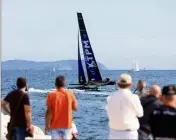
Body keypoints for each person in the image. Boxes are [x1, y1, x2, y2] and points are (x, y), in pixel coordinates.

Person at [106, 74, 143, 139]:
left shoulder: (110, 98)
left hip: (114, 133)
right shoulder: (134, 97)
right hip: (130, 133)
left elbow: (108, 112)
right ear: (130, 84)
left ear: (118, 84)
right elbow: (140, 114)